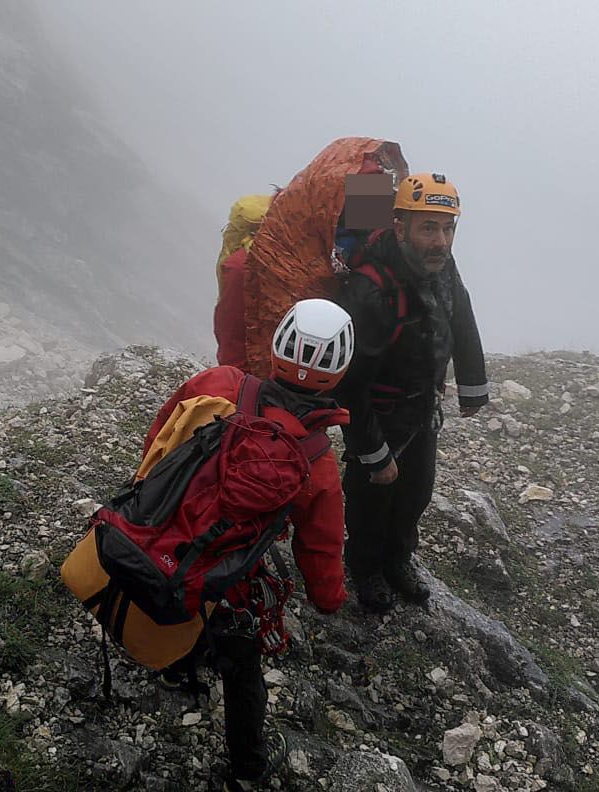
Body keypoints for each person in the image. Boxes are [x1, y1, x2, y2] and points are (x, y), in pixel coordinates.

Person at [145, 298, 355, 790]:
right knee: (242, 674)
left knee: (178, 589)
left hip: (170, 532)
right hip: (234, 577)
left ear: (276, 345)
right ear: (341, 371)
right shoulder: (317, 460)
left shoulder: (217, 384)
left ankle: (175, 669)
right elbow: (320, 547)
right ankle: (248, 767)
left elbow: (163, 435)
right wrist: (329, 601)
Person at [331, 172, 490, 613]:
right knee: (372, 495)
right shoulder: (369, 289)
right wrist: (373, 450)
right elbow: (350, 380)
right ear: (399, 227)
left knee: (417, 492)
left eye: (448, 227)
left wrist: (473, 386)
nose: (441, 240)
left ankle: (398, 561)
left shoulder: (442, 266)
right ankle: (365, 569)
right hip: (376, 414)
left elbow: (461, 313)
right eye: (429, 227)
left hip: (422, 408)